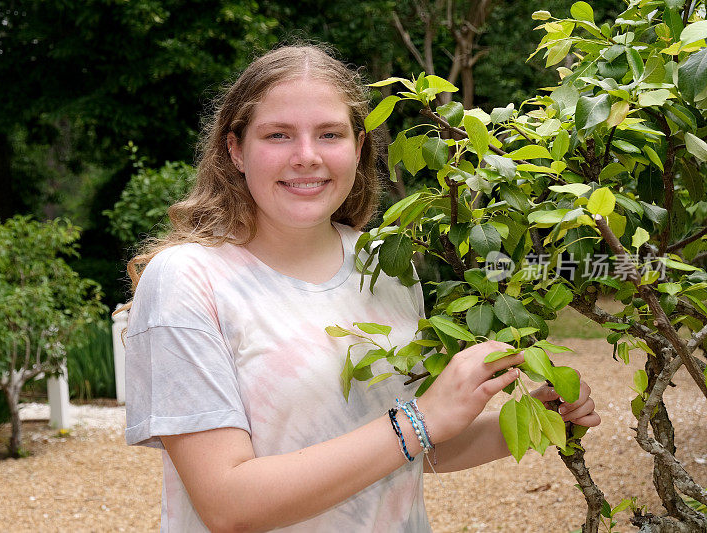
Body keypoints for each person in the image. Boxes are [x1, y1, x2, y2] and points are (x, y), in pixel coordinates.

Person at [123, 44, 600, 532]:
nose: (306, 157)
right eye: (278, 135)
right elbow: (227, 504)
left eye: (329, 134)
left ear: (358, 147)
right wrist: (423, 419)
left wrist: (532, 420)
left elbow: (406, 446)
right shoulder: (188, 280)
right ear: (235, 149)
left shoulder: (384, 263)